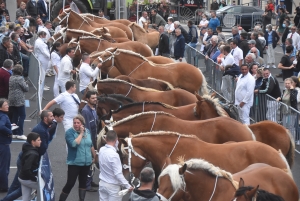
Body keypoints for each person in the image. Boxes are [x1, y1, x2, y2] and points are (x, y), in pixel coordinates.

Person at [58, 115, 96, 201]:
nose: (76, 124)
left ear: (82, 124)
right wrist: (81, 133)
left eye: (78, 123)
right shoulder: (69, 133)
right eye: (74, 123)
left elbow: (90, 145)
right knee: (70, 183)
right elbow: (74, 144)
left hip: (86, 163)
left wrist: (95, 157)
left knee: (83, 183)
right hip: (74, 163)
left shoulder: (88, 132)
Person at [99, 130, 133, 201]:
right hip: (113, 187)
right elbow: (118, 174)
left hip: (102, 184)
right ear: (116, 140)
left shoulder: (101, 150)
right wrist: (128, 186)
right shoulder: (114, 155)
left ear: (106, 139)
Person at [81, 90, 98, 192]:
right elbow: (86, 130)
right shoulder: (86, 111)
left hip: (94, 140)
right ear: (87, 99)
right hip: (89, 142)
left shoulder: (93, 108)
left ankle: (90, 180)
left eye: (96, 98)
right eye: (92, 98)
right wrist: (90, 145)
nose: (95, 100)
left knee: (93, 162)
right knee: (88, 163)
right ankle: (86, 185)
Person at [18, 132, 41, 201]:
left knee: (25, 198)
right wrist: (34, 178)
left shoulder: (27, 148)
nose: (40, 141)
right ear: (33, 142)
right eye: (38, 140)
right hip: (27, 179)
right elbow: (26, 169)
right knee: (43, 187)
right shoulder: (33, 154)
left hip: (22, 178)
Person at [8, 64, 28, 140]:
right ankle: (20, 133)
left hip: (11, 98)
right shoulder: (20, 79)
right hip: (19, 99)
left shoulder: (11, 78)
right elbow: (26, 88)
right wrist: (26, 83)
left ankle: (14, 132)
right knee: (22, 116)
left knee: (15, 116)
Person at [0, 99, 12, 192]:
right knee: (4, 166)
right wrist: (10, 131)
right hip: (3, 143)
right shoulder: (4, 116)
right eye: (5, 104)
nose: (7, 106)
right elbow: (1, 126)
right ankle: (3, 186)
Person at [34, 31, 50, 97]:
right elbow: (44, 51)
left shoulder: (39, 41)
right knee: (42, 75)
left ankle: (41, 89)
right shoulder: (39, 42)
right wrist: (50, 56)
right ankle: (40, 93)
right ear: (41, 35)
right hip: (42, 60)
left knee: (42, 74)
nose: (45, 37)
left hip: (43, 59)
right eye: (44, 36)